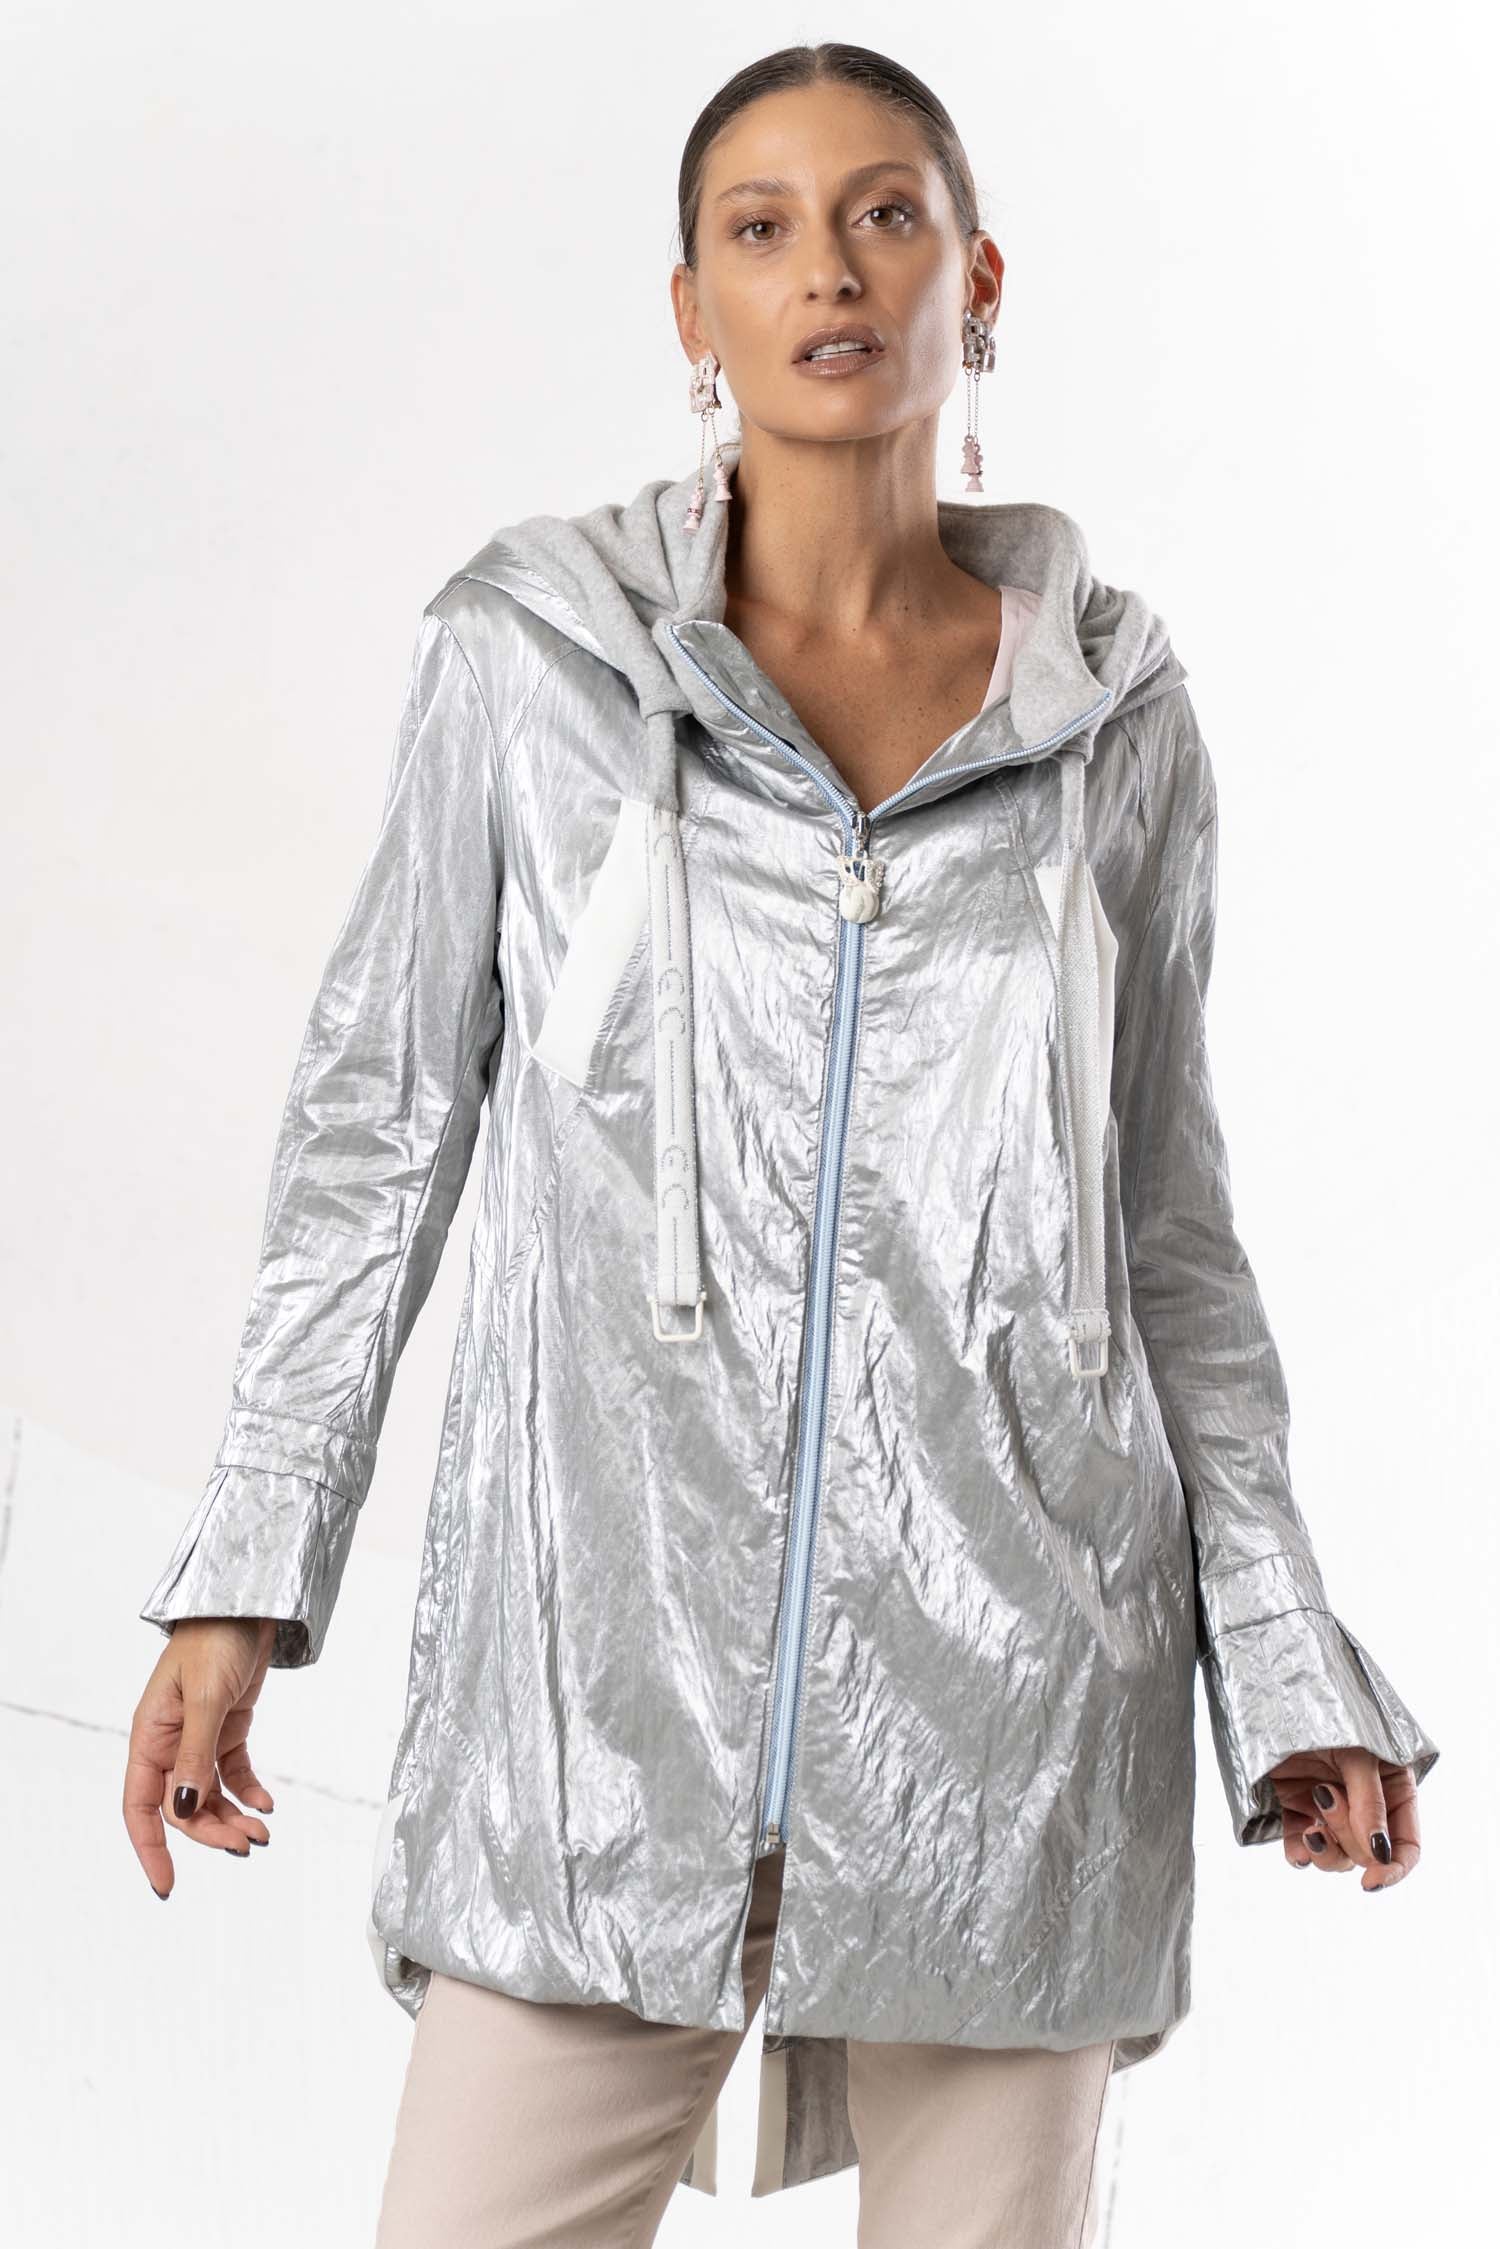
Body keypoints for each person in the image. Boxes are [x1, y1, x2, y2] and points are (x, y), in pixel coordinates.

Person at [122, 40, 1440, 2249]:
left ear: (976, 280)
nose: (827, 267)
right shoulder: (533, 663)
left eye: (884, 214)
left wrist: (1282, 1656)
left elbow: (1168, 1234)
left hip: (1021, 1710)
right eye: (762, 227)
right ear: (693, 306)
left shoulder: (1113, 724)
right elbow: (377, 1129)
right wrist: (249, 1571)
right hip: (597, 1695)